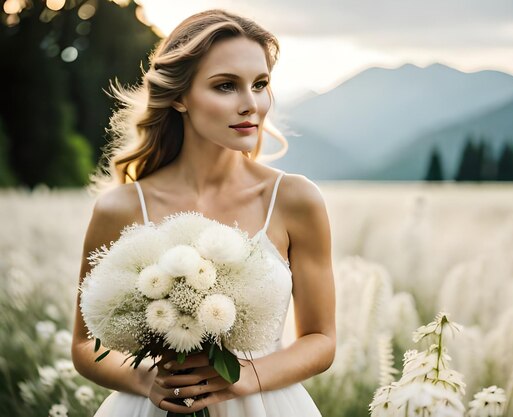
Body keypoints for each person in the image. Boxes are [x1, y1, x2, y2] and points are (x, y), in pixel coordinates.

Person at [71, 9, 336, 417]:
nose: (251, 104)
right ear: (179, 96)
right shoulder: (119, 208)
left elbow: (320, 338)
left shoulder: (294, 199)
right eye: (226, 85)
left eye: (260, 84)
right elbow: (85, 345)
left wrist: (248, 375)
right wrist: (146, 381)